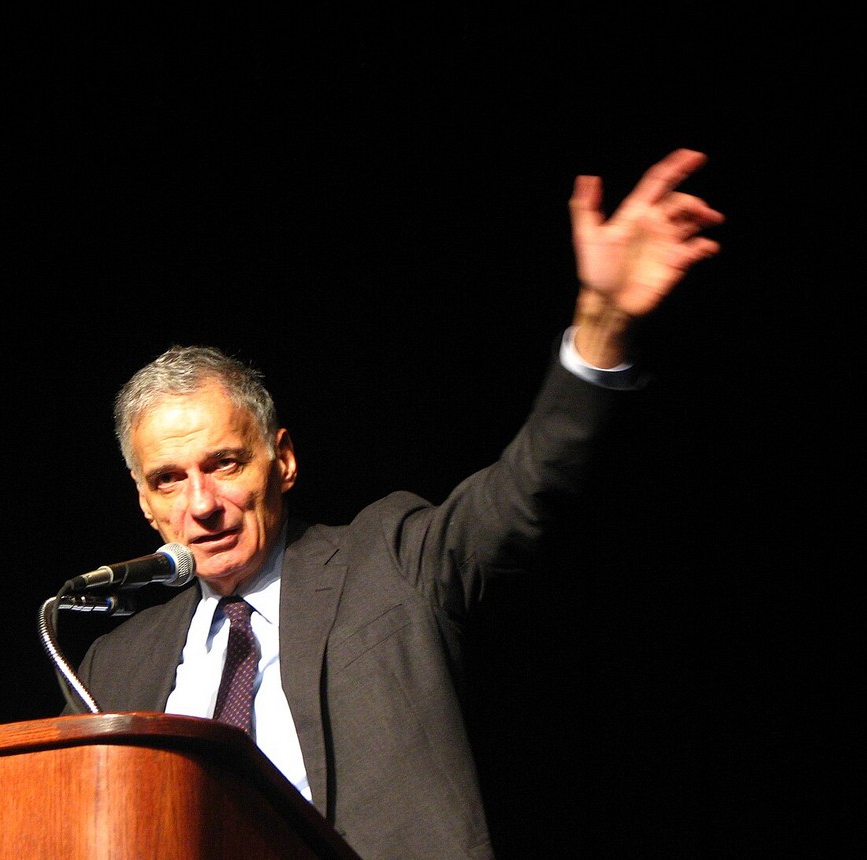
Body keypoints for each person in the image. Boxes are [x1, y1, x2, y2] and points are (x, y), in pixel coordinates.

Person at [67, 148, 724, 859]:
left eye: (224, 464)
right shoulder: (110, 668)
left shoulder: (391, 560)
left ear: (282, 461)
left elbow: (525, 493)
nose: (202, 504)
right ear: (145, 501)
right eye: (169, 479)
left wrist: (603, 324)